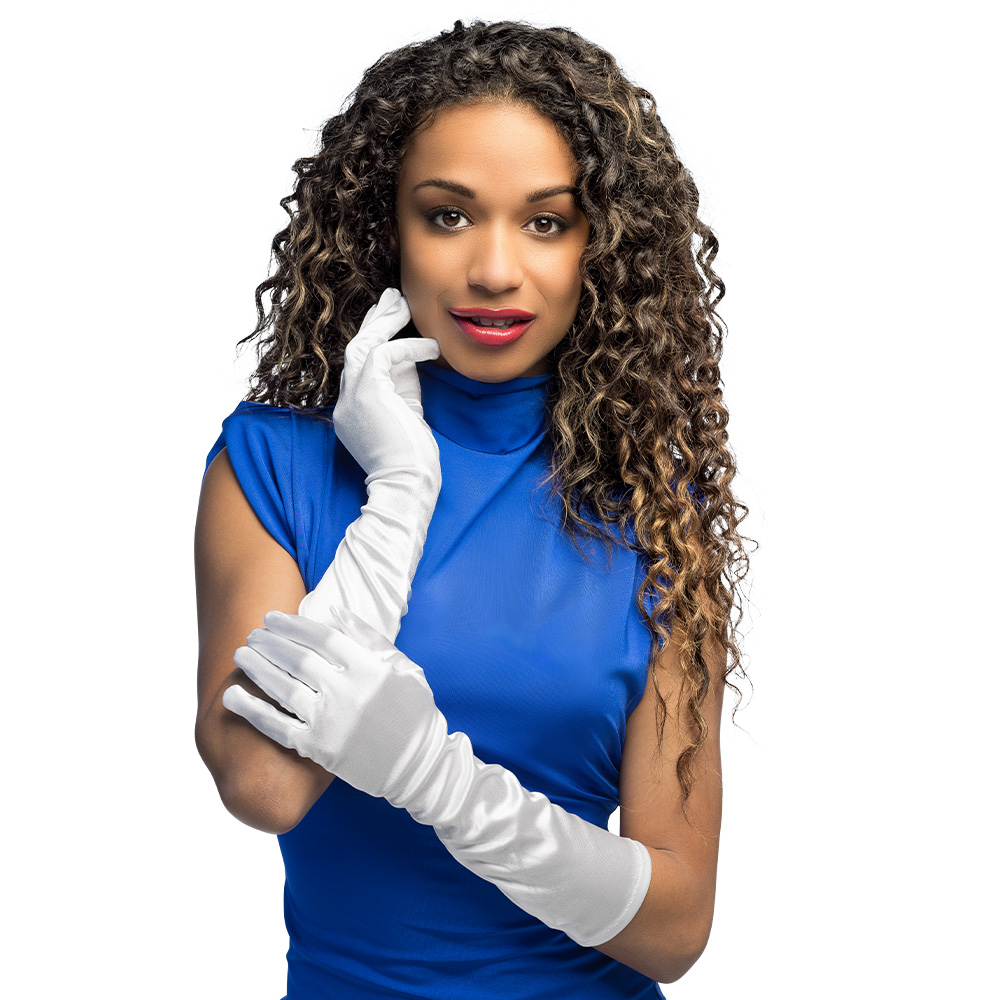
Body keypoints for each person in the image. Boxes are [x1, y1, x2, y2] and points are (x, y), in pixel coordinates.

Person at [194, 19, 750, 999]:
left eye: (547, 222)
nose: (494, 269)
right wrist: (400, 492)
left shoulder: (655, 502)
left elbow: (674, 928)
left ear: (602, 244)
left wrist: (435, 778)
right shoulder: (275, 464)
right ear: (385, 227)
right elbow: (264, 782)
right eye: (448, 216)